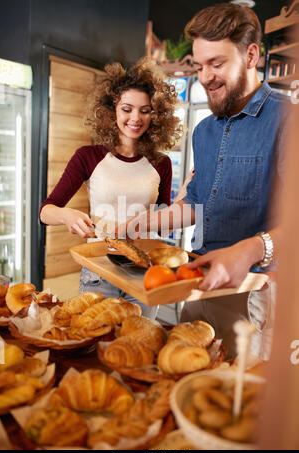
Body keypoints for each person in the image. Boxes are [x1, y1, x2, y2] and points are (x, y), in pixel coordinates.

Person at [117, 3, 289, 358]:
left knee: (240, 404)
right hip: (196, 282)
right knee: (184, 378)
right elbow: (197, 203)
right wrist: (144, 223)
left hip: (254, 296)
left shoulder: (288, 121)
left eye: (217, 63)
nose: (205, 76)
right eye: (199, 65)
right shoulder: (205, 130)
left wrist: (250, 249)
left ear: (251, 54)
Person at [39, 58, 182, 319]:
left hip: (145, 274)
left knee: (140, 349)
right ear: (111, 110)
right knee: (95, 348)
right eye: (127, 109)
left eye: (145, 110)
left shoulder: (162, 163)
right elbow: (45, 211)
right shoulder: (88, 156)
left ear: (157, 114)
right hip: (99, 274)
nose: (135, 118)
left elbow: (164, 226)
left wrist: (183, 197)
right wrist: (66, 215)